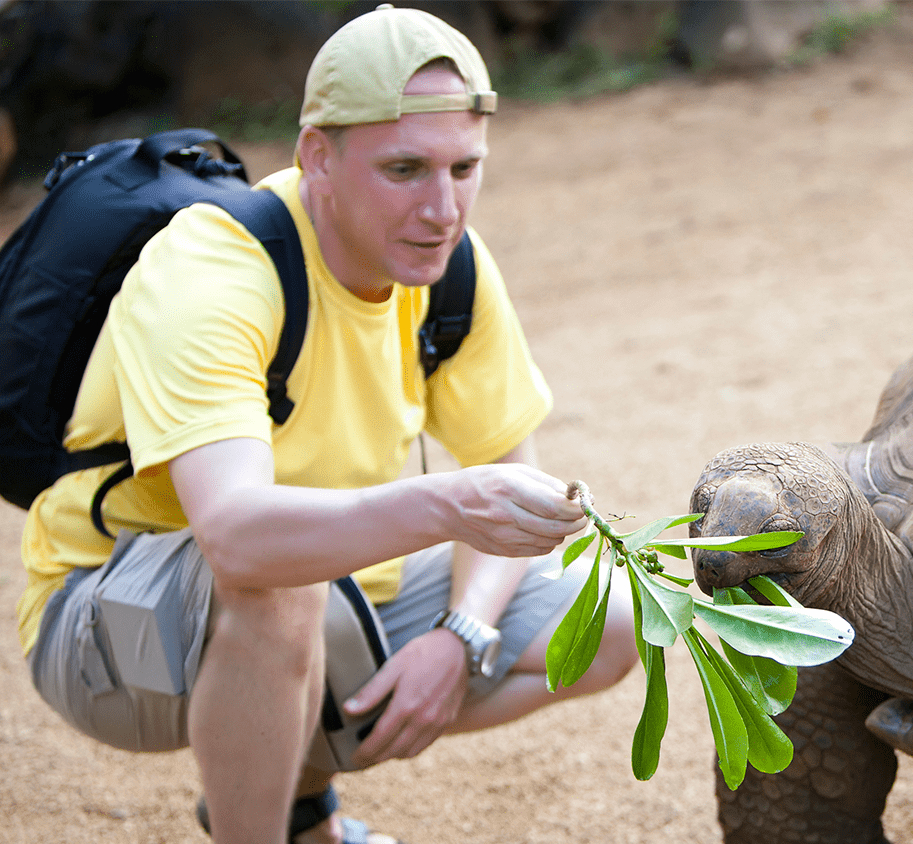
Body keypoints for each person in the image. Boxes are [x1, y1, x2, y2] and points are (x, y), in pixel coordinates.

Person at [16, 5, 638, 843]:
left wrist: (462, 636)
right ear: (319, 155)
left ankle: (298, 801)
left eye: (465, 167)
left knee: (618, 620)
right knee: (281, 586)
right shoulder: (215, 270)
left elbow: (506, 460)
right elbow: (237, 540)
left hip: (327, 607)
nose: (442, 208)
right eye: (406, 168)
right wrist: (447, 503)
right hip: (105, 624)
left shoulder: (450, 268)